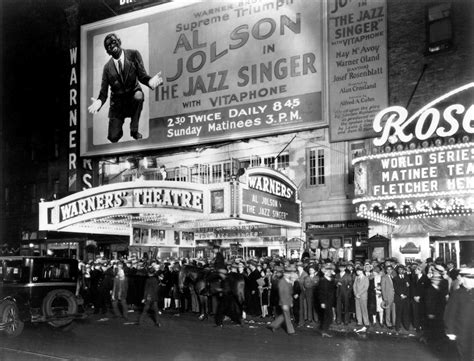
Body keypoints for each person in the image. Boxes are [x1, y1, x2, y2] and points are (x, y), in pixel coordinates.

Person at [88, 33, 163, 143]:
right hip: (117, 105)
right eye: (108, 45)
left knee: (139, 96)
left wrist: (150, 81)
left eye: (113, 42)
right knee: (113, 138)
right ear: (107, 52)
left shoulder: (133, 55)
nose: (111, 45)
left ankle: (134, 130)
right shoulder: (107, 68)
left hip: (133, 95)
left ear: (119, 41)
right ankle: (118, 129)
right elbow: (103, 93)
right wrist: (99, 102)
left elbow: (142, 76)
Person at [444, 266, 474, 361]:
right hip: (462, 331)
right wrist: (450, 331)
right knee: (465, 355)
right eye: (469, 278)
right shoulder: (457, 294)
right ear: (462, 278)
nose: (472, 281)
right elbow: (450, 314)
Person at [267, 266, 296, 335]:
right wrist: (284, 304)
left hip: (288, 301)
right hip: (284, 302)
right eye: (289, 273)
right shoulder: (281, 282)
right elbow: (281, 294)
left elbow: (290, 293)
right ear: (285, 274)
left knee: (283, 315)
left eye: (290, 273)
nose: (290, 275)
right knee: (287, 316)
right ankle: (291, 331)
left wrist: (291, 302)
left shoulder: (288, 281)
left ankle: (273, 325)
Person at [318, 263, 336, 337]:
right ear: (325, 272)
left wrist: (333, 273)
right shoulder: (323, 280)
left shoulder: (330, 280)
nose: (329, 272)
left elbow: (333, 281)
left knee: (329, 316)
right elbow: (321, 292)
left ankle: (324, 330)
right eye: (328, 271)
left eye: (330, 271)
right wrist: (322, 302)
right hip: (325, 301)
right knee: (327, 316)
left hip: (330, 300)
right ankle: (324, 331)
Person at [393, 264, 411, 332]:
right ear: (397, 271)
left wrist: (406, 295)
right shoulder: (395, 278)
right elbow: (396, 288)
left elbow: (408, 287)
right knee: (398, 313)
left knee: (406, 313)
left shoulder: (407, 277)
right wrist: (401, 295)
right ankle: (397, 327)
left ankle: (406, 326)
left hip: (406, 298)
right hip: (399, 298)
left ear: (404, 270)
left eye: (402, 269)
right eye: (399, 269)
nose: (400, 271)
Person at [353, 265, 370, 332]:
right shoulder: (356, 278)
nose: (357, 272)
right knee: (358, 309)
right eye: (357, 271)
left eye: (359, 270)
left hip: (363, 296)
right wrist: (355, 293)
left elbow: (366, 287)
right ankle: (359, 322)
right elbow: (354, 286)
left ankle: (366, 323)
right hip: (357, 296)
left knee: (364, 309)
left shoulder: (366, 278)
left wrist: (358, 294)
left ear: (362, 271)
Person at [381, 264, 396, 328]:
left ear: (392, 270)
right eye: (388, 269)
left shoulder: (394, 277)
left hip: (394, 296)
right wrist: (385, 298)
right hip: (388, 297)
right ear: (386, 270)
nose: (389, 271)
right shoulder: (384, 277)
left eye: (390, 269)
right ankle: (388, 323)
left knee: (394, 311)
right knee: (387, 311)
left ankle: (394, 323)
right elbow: (383, 289)